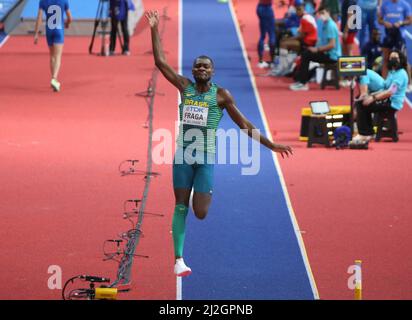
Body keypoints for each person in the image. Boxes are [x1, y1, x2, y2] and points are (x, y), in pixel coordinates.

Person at [145, 10, 293, 277]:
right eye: (197, 65)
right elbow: (160, 61)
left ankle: (195, 193)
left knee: (200, 212)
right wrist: (154, 28)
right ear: (192, 70)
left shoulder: (221, 95)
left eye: (206, 66)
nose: (201, 68)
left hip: (205, 157)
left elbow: (245, 125)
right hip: (182, 156)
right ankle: (178, 259)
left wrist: (271, 146)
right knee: (180, 206)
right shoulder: (184, 86)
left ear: (212, 72)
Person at [353, 50, 408, 143]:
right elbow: (385, 88)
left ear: (401, 60)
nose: (393, 60)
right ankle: (368, 132)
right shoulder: (392, 72)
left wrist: (373, 98)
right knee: (363, 102)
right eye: (391, 58)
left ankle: (365, 134)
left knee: (362, 104)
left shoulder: (401, 74)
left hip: (392, 103)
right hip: (386, 100)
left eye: (395, 58)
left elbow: (391, 92)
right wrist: (371, 95)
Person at [289, 5, 341, 91]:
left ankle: (303, 83)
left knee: (306, 56)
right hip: (325, 52)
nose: (322, 15)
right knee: (306, 52)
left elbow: (332, 45)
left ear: (328, 13)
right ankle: (301, 80)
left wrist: (317, 50)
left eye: (323, 13)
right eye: (320, 13)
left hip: (332, 56)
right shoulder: (324, 23)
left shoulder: (330, 26)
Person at [34, 0, 72, 92]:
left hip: (49, 31)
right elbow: (70, 17)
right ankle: (54, 78)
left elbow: (39, 17)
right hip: (59, 30)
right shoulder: (64, 0)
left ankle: (53, 78)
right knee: (58, 56)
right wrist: (67, 24)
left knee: (52, 56)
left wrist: (36, 33)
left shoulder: (43, 1)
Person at [273, 1, 317, 76]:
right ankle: (285, 67)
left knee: (284, 44)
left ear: (303, 9)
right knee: (285, 42)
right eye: (296, 10)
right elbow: (300, 33)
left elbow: (302, 36)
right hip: (305, 41)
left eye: (299, 10)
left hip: (308, 43)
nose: (297, 12)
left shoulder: (305, 19)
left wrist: (291, 39)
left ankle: (282, 68)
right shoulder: (304, 17)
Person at [378, 0, 412, 78]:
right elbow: (379, 20)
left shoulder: (404, 5)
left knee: (403, 59)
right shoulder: (385, 4)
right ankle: (384, 82)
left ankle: (409, 83)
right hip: (388, 34)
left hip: (399, 35)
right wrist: (385, 23)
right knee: (385, 59)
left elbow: (410, 20)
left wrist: (401, 23)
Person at [256, 0, 276, 68]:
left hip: (260, 8)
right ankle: (272, 61)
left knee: (262, 35)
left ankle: (260, 60)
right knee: (272, 35)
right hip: (267, 9)